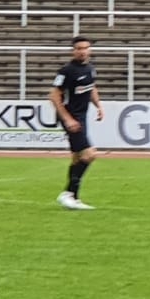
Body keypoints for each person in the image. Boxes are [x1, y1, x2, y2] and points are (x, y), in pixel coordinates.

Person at [51, 36, 104, 210]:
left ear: (90, 50)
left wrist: (99, 106)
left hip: (81, 116)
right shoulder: (67, 71)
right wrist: (67, 119)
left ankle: (73, 197)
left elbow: (92, 87)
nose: (82, 51)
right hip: (71, 117)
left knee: (77, 158)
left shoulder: (90, 69)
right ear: (73, 51)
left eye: (85, 48)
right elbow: (54, 96)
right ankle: (68, 194)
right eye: (79, 48)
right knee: (89, 154)